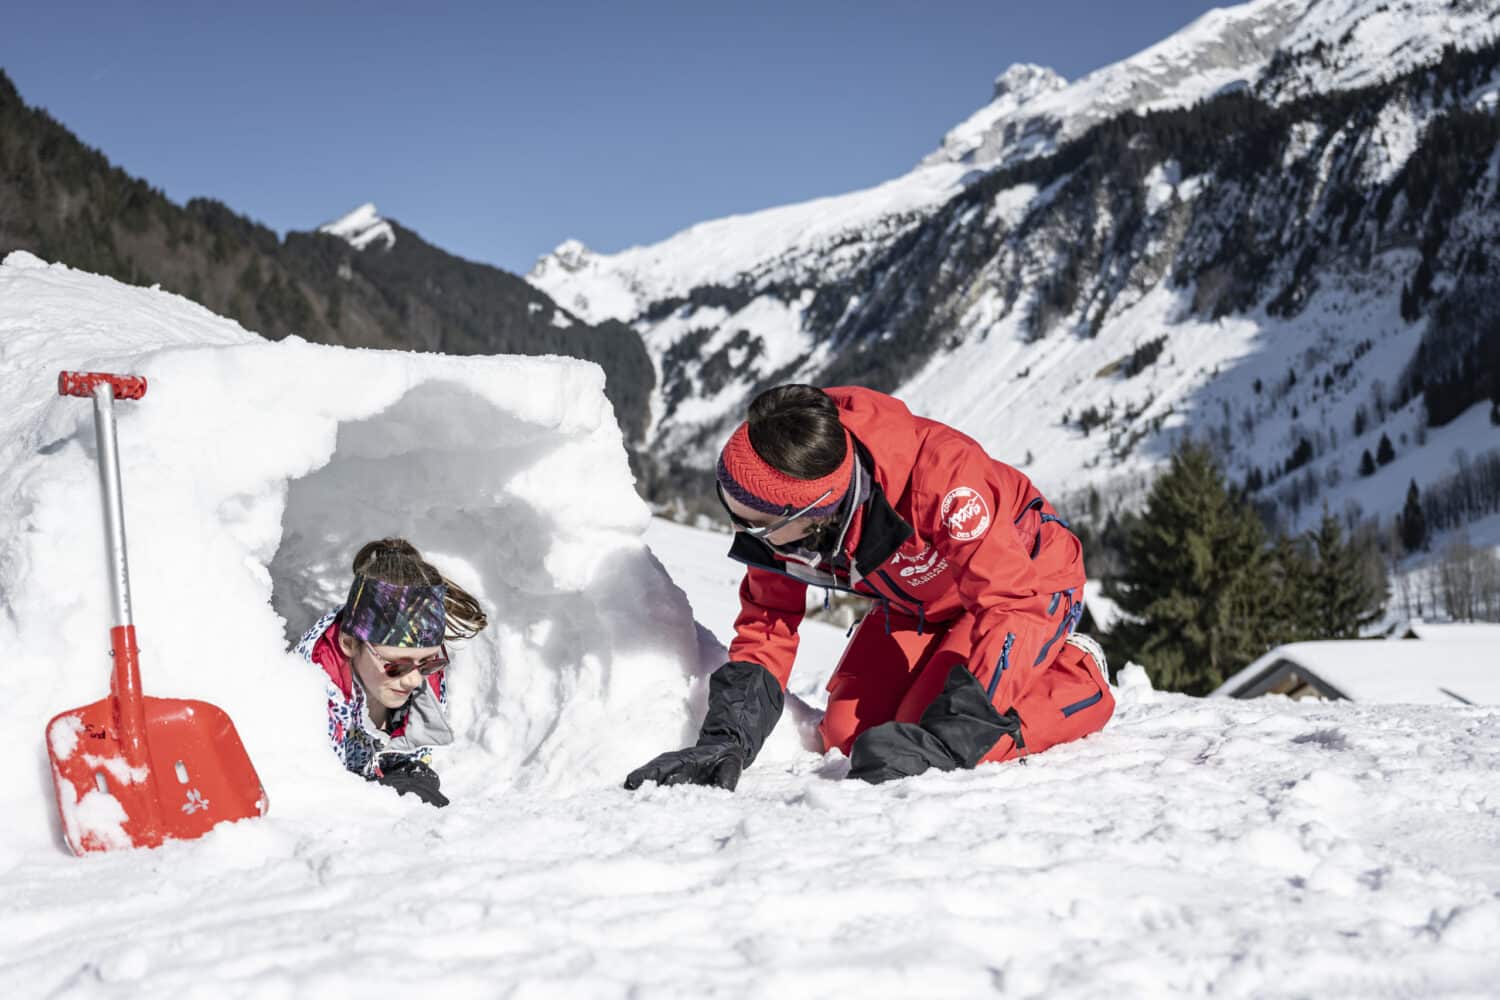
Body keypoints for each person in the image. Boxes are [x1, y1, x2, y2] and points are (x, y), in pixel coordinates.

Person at [625, 385, 1113, 790]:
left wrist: (950, 742)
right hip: (919, 600)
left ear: (814, 513)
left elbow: (1011, 606)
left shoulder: (944, 482)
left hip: (1027, 589)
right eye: (732, 510)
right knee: (848, 736)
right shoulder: (790, 484)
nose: (744, 532)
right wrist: (726, 737)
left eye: (757, 524)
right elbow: (768, 625)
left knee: (929, 732)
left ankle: (1077, 674)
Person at [294, 538, 488, 807]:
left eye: (427, 663)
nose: (413, 679)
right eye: (396, 665)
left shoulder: (423, 672)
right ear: (349, 643)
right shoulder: (310, 692)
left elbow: (413, 756)